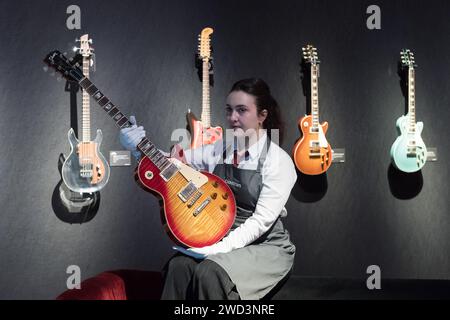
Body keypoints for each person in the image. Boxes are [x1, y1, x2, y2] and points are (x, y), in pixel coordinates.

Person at [119, 78, 297, 300]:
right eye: (229, 110)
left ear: (262, 115)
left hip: (265, 246)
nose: (233, 118)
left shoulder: (278, 161)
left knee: (210, 271)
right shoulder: (221, 148)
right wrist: (138, 147)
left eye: (242, 110)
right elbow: (173, 164)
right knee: (179, 267)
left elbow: (260, 222)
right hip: (220, 236)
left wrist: (216, 250)